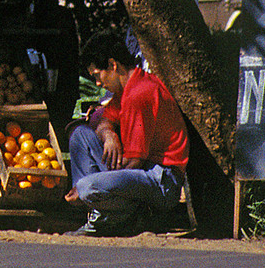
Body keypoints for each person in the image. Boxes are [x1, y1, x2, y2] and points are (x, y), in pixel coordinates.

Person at [63, 30, 189, 236]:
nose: (97, 83)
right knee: (79, 136)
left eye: (97, 75)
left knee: (86, 186)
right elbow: (105, 121)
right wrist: (109, 135)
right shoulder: (127, 88)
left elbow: (134, 161)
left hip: (160, 179)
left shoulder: (139, 93)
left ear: (113, 65)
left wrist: (88, 188)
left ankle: (115, 214)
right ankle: (105, 211)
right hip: (139, 170)